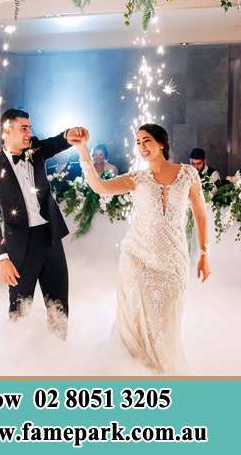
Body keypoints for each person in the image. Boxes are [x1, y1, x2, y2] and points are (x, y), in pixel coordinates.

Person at [74, 123, 210, 374]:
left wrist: (204, 253)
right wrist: (82, 150)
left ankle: (165, 371)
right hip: (137, 257)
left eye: (146, 140)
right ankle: (138, 372)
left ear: (161, 143)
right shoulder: (137, 178)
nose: (142, 147)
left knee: (167, 320)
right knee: (136, 317)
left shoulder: (188, 174)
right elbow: (100, 187)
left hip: (173, 260)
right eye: (137, 142)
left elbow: (200, 215)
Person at [0, 108, 87, 339]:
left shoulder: (34, 149)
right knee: (19, 311)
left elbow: (54, 143)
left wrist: (68, 135)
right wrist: (1, 258)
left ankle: (57, 355)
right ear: (6, 131)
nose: (29, 132)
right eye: (24, 128)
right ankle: (17, 363)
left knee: (59, 306)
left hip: (50, 238)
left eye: (30, 127)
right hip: (20, 246)